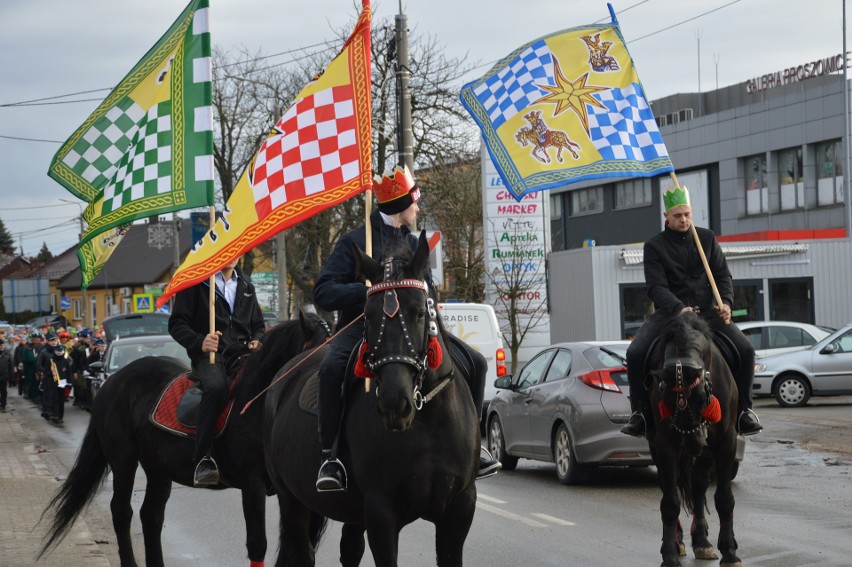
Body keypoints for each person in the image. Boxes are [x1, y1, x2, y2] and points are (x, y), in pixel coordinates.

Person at [313, 165, 500, 492]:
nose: (417, 207)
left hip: (414, 331)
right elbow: (323, 292)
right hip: (364, 327)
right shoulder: (355, 241)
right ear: (401, 205)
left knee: (478, 363)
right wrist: (366, 292)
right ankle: (331, 457)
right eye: (414, 201)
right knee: (330, 369)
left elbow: (426, 292)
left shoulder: (416, 245)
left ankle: (474, 444)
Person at [622, 186, 763, 438]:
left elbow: (722, 275)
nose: (684, 220)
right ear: (667, 216)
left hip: (708, 314)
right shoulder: (654, 246)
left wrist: (726, 302)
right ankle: (640, 414)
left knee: (746, 350)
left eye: (687, 214)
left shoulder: (706, 238)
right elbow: (655, 287)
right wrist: (678, 308)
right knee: (635, 352)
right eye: (678, 216)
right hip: (671, 316)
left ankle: (744, 412)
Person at [169, 256, 266, 486]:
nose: (233, 256)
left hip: (243, 354)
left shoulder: (247, 286)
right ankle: (203, 458)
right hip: (210, 356)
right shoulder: (196, 283)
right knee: (216, 388)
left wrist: (256, 339)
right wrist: (200, 341)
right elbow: (176, 324)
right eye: (228, 250)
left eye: (237, 250)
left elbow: (259, 326)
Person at [0, 341, 14, 412]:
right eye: (0, 345)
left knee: (3, 391)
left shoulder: (7, 353)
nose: (1, 346)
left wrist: (11, 376)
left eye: (2, 345)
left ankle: (3, 405)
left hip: (4, 375)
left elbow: (11, 365)